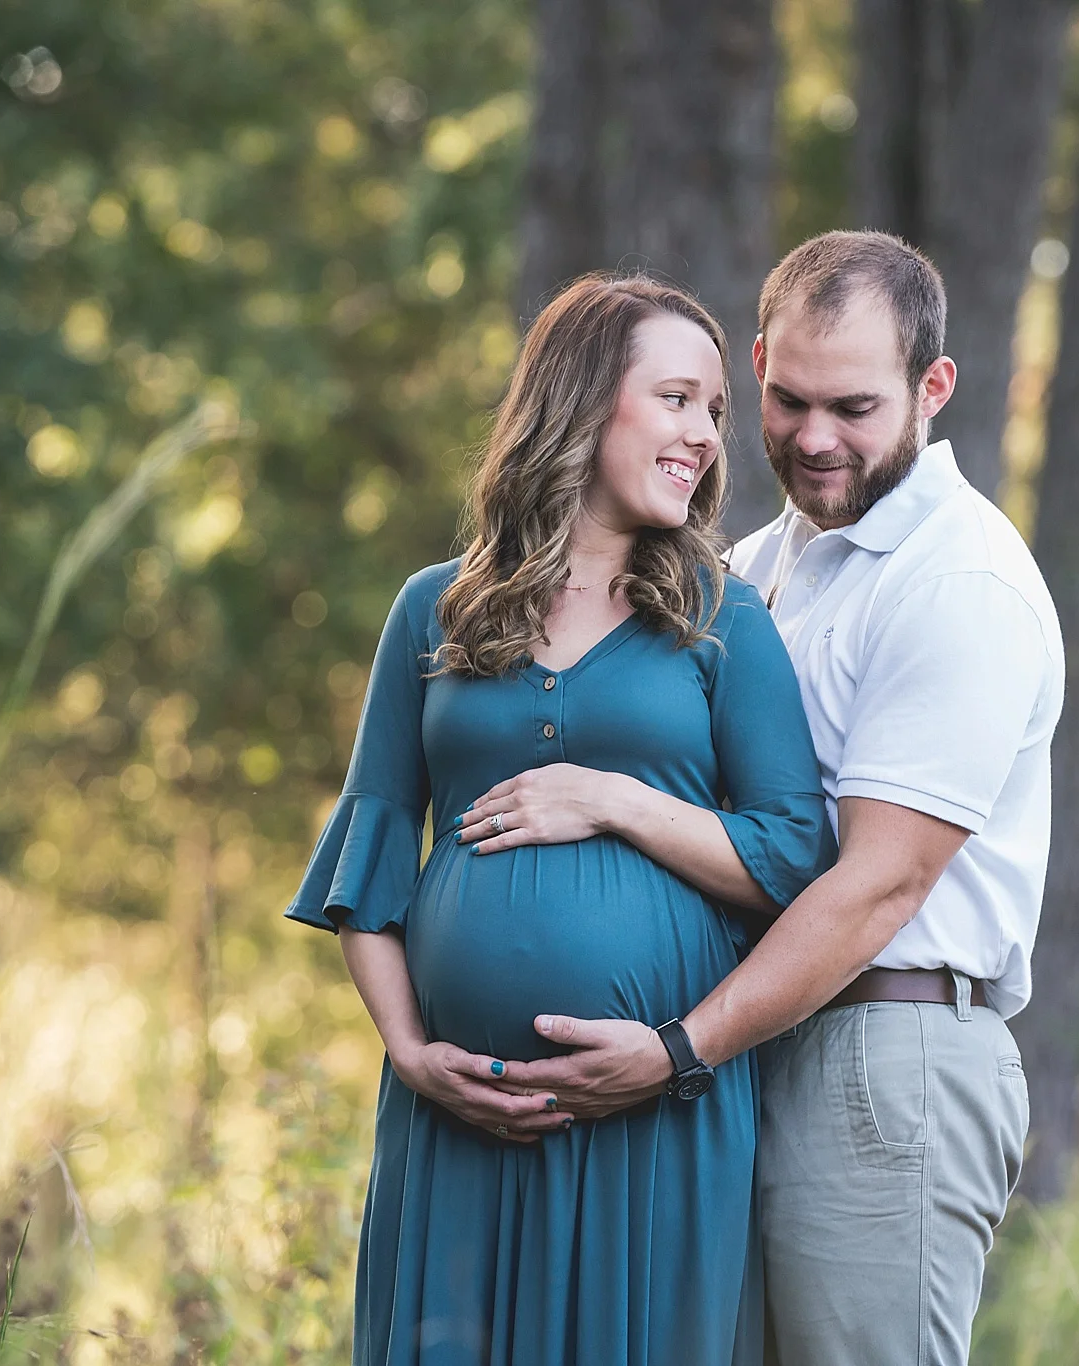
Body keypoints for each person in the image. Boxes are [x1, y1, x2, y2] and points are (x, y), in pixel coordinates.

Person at [501, 231, 1067, 1365]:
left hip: (881, 1051)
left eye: (853, 407)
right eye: (790, 398)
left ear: (932, 387)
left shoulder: (953, 579)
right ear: (756, 366)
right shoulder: (754, 565)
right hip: (754, 1051)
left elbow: (877, 884)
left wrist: (673, 1050)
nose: (814, 438)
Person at [284, 273, 835, 1366]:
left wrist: (617, 801)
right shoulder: (432, 610)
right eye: (677, 399)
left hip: (652, 1119)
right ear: (583, 401)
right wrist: (408, 1053)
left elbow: (791, 857)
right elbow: (371, 860)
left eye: (715, 413)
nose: (704, 436)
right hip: (456, 1122)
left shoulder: (721, 619)